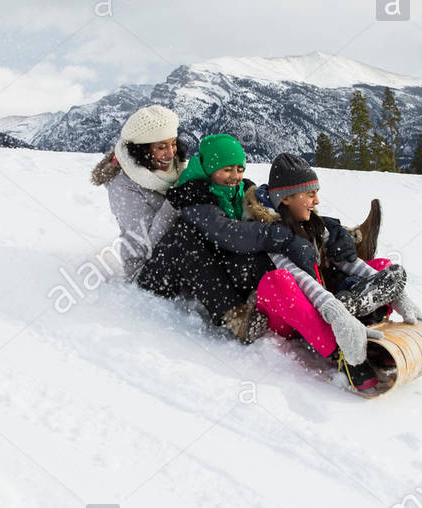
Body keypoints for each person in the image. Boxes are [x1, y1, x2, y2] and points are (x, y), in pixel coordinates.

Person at [245, 153, 422, 391]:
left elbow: (347, 262)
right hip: (288, 316)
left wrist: (395, 292)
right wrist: (334, 311)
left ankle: (367, 328)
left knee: (381, 265)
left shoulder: (312, 223)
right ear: (286, 198)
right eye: (310, 194)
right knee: (278, 281)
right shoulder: (267, 231)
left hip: (323, 301)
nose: (317, 200)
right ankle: (341, 351)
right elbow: (300, 278)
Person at [138, 134, 316, 343]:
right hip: (164, 275)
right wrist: (283, 237)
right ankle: (234, 315)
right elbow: (230, 234)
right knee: (188, 236)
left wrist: (320, 231)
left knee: (254, 245)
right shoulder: (195, 194)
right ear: (210, 170)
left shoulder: (238, 190)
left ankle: (305, 298)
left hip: (206, 261)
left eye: (239, 169)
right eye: (227, 169)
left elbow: (269, 214)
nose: (235, 176)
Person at [90, 105, 189, 279]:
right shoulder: (122, 184)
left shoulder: (177, 168)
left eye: (173, 144)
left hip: (178, 244)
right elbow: (145, 241)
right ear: (142, 149)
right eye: (161, 147)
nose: (171, 153)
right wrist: (175, 202)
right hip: (144, 265)